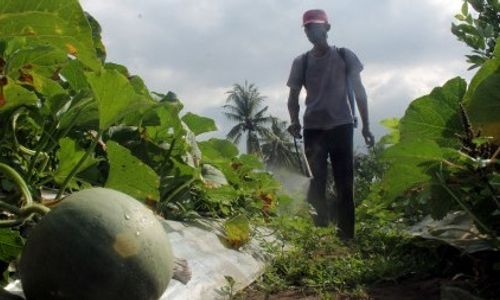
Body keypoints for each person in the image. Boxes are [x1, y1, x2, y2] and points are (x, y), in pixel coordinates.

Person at [286, 9, 374, 241]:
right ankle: (320, 233)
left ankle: (346, 235)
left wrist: (366, 126)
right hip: (313, 128)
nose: (312, 31)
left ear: (327, 28)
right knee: (316, 184)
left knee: (345, 183)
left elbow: (359, 91)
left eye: (316, 26)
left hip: (341, 126)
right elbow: (293, 97)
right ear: (305, 32)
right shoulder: (301, 62)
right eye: (307, 28)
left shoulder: (345, 56)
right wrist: (294, 121)